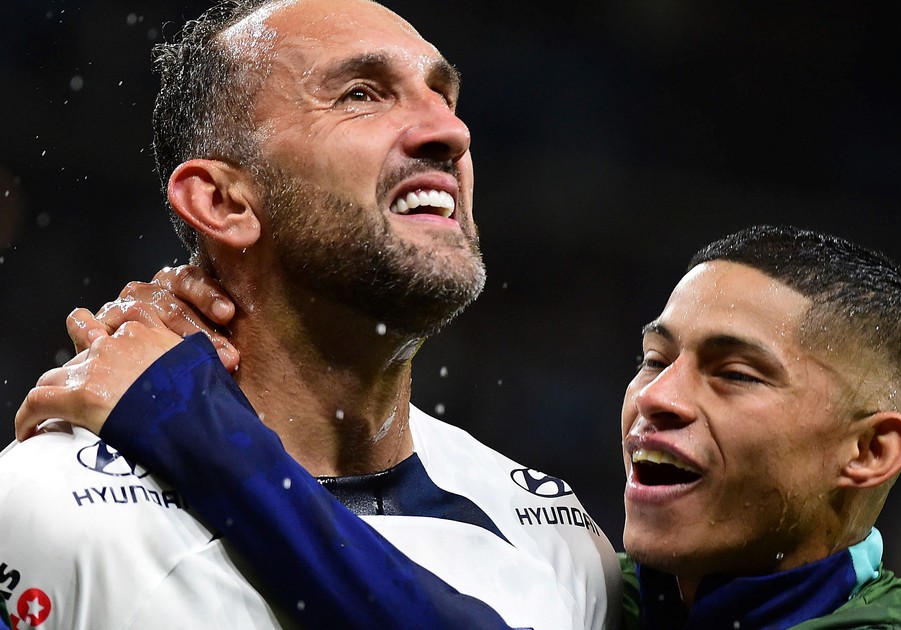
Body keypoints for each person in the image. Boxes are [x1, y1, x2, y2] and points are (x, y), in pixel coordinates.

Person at [0, 0, 621, 628]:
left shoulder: (561, 544)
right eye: (361, 95)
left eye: (443, 96)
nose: (451, 132)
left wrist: (191, 420)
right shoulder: (55, 512)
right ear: (222, 202)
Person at [14, 225, 901, 628]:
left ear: (870, 450)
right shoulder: (613, 591)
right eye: (655, 358)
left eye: (734, 374)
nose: (661, 397)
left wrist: (190, 421)